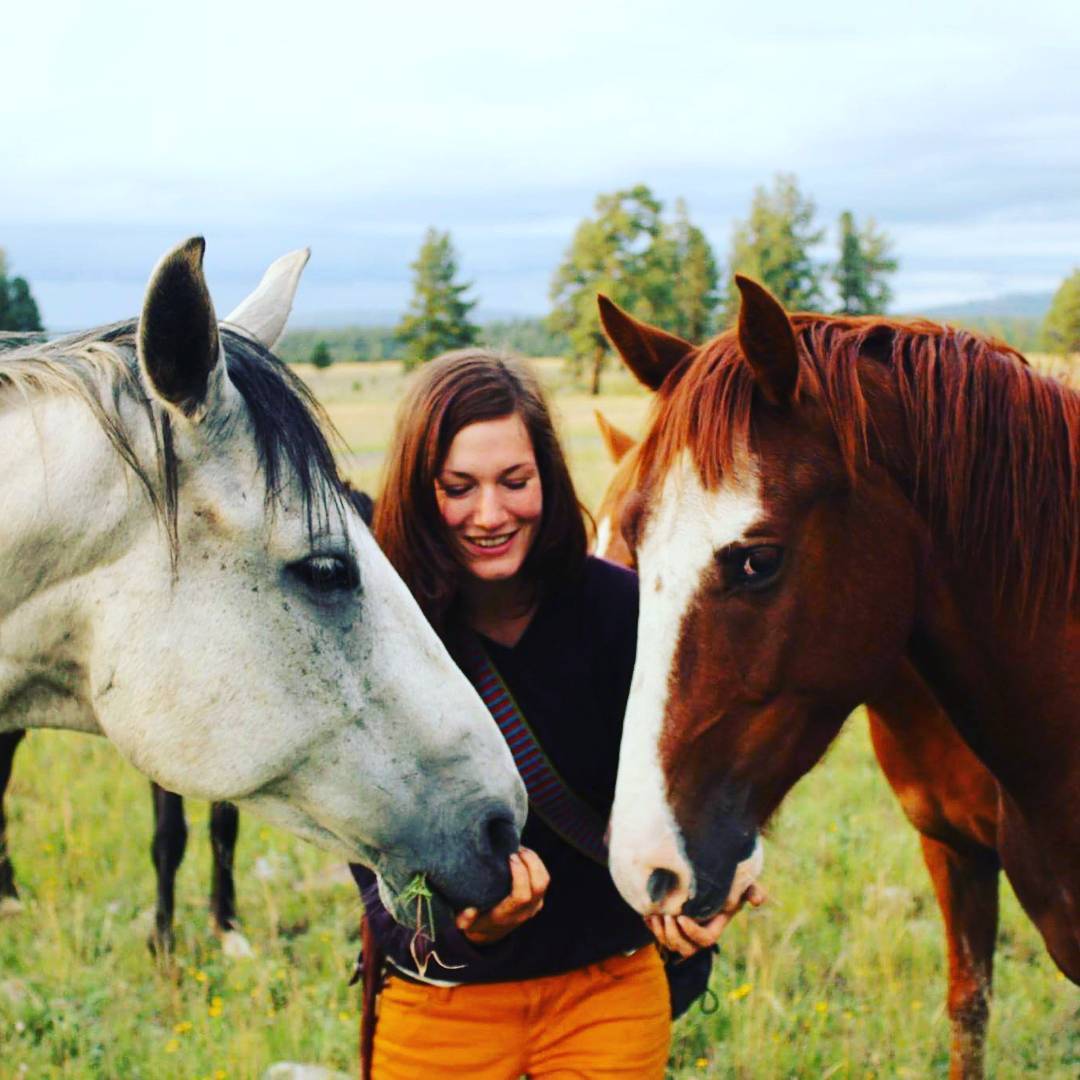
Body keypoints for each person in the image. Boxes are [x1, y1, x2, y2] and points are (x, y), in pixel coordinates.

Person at [352, 349, 743, 1079]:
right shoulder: (386, 640)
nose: (490, 514)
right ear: (416, 489)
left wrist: (716, 883)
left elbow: (707, 787)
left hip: (609, 994)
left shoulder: (628, 613)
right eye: (457, 487)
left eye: (515, 481)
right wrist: (470, 932)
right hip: (441, 1009)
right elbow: (378, 879)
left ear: (549, 479)